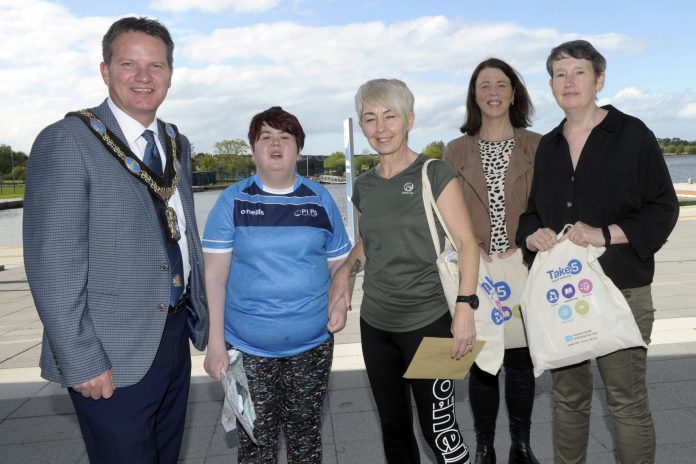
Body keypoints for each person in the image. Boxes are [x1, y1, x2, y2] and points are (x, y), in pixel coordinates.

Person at [23, 17, 209, 463]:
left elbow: (183, 235)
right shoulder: (69, 141)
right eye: (129, 64)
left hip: (172, 336)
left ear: (170, 73)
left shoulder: (175, 142)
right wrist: (82, 359)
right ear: (105, 71)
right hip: (109, 352)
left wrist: (204, 321)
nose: (144, 77)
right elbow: (53, 265)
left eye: (157, 66)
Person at [516, 40, 679, 464]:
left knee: (626, 401)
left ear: (599, 80)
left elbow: (663, 208)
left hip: (621, 290)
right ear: (550, 84)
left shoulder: (632, 134)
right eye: (559, 74)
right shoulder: (548, 146)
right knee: (568, 399)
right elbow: (531, 214)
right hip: (565, 295)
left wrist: (605, 234)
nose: (568, 82)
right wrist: (531, 235)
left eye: (579, 72)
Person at [329, 78, 480, 464]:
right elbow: (368, 242)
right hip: (377, 325)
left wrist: (464, 308)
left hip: (429, 323)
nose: (380, 128)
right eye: (370, 118)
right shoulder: (363, 186)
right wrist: (346, 268)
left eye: (389, 116)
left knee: (440, 432)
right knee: (394, 429)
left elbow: (467, 243)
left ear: (409, 119)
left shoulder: (434, 173)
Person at [202, 106, 352, 463]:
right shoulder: (232, 202)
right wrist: (215, 344)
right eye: (265, 137)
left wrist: (340, 300)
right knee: (256, 443)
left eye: (285, 137)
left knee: (305, 437)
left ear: (298, 149)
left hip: (311, 346)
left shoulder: (319, 199)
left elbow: (340, 264)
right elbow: (215, 277)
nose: (275, 145)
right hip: (247, 348)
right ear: (252, 148)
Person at [443, 58, 541, 464]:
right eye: (485, 85)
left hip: (523, 263)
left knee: (520, 358)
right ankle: (485, 447)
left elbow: (548, 203)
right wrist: (469, 245)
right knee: (483, 360)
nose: (494, 92)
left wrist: (529, 238)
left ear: (514, 93)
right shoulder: (455, 150)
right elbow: (442, 211)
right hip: (476, 267)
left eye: (501, 84)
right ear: (474, 95)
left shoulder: (538, 145)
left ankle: (521, 445)